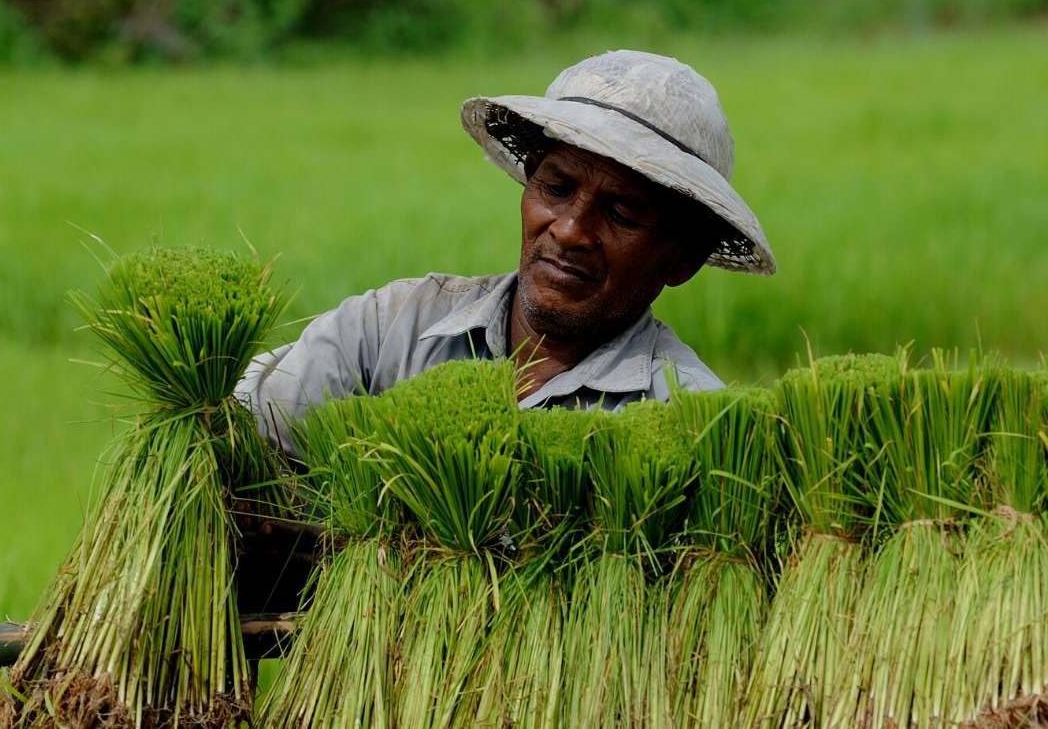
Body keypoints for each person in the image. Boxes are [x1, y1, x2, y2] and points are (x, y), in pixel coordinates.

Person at [235, 49, 777, 462]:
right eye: (556, 188)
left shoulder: (692, 423)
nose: (568, 231)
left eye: (620, 214)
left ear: (682, 259)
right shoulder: (389, 330)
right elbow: (245, 434)